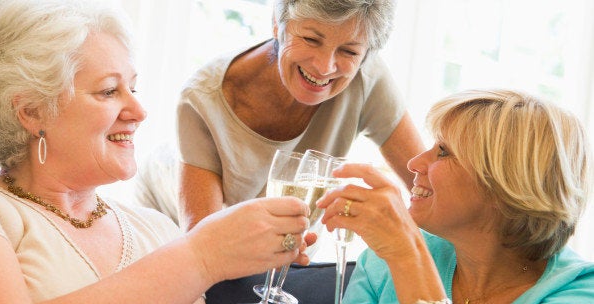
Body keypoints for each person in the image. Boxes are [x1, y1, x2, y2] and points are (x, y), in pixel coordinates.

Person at [0, 0, 314, 304]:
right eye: (108, 91)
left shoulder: (158, 230)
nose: (138, 110)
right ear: (32, 111)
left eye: (133, 89)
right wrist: (201, 256)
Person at [317, 89, 594, 304]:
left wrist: (407, 256)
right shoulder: (382, 263)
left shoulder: (578, 296)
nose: (414, 163)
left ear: (505, 186)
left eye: (444, 152)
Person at [168, 0, 425, 230]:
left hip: (286, 259)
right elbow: (203, 244)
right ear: (277, 25)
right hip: (178, 232)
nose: (324, 67)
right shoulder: (202, 98)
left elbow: (428, 186)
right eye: (311, 40)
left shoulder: (367, 79)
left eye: (348, 52)